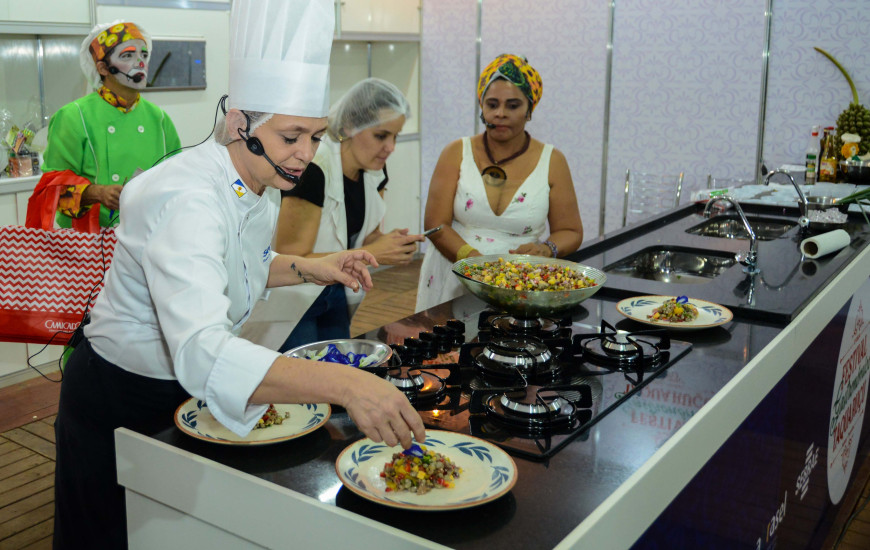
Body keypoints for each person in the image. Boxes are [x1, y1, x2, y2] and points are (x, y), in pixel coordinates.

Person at [52, 2, 424, 548]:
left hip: (181, 391)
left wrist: (312, 266)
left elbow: (238, 267)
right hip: (120, 398)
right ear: (239, 124)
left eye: (316, 137)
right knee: (108, 534)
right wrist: (348, 384)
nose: (304, 156)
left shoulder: (253, 178)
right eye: (291, 137)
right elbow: (202, 348)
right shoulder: (185, 198)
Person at [244, 78, 422, 353]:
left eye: (395, 136)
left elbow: (362, 235)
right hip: (295, 297)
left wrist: (390, 244)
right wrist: (374, 250)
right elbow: (291, 254)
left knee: (339, 366)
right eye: (381, 136)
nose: (391, 147)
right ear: (350, 125)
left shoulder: (375, 171)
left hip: (335, 290)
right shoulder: (314, 169)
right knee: (305, 381)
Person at [415, 54, 583, 312]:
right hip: (453, 274)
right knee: (449, 350)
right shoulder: (456, 152)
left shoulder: (553, 161)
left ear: (529, 110)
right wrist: (477, 265)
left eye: (513, 105)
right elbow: (436, 226)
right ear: (481, 106)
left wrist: (547, 249)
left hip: (517, 283)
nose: (500, 113)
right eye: (492, 104)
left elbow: (571, 231)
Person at [27, 20, 180, 232]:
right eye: (128, 55)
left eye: (144, 55)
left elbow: (178, 179)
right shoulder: (73, 116)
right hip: (87, 245)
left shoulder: (160, 119)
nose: (141, 62)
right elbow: (50, 193)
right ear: (102, 67)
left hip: (148, 236)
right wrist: (96, 193)